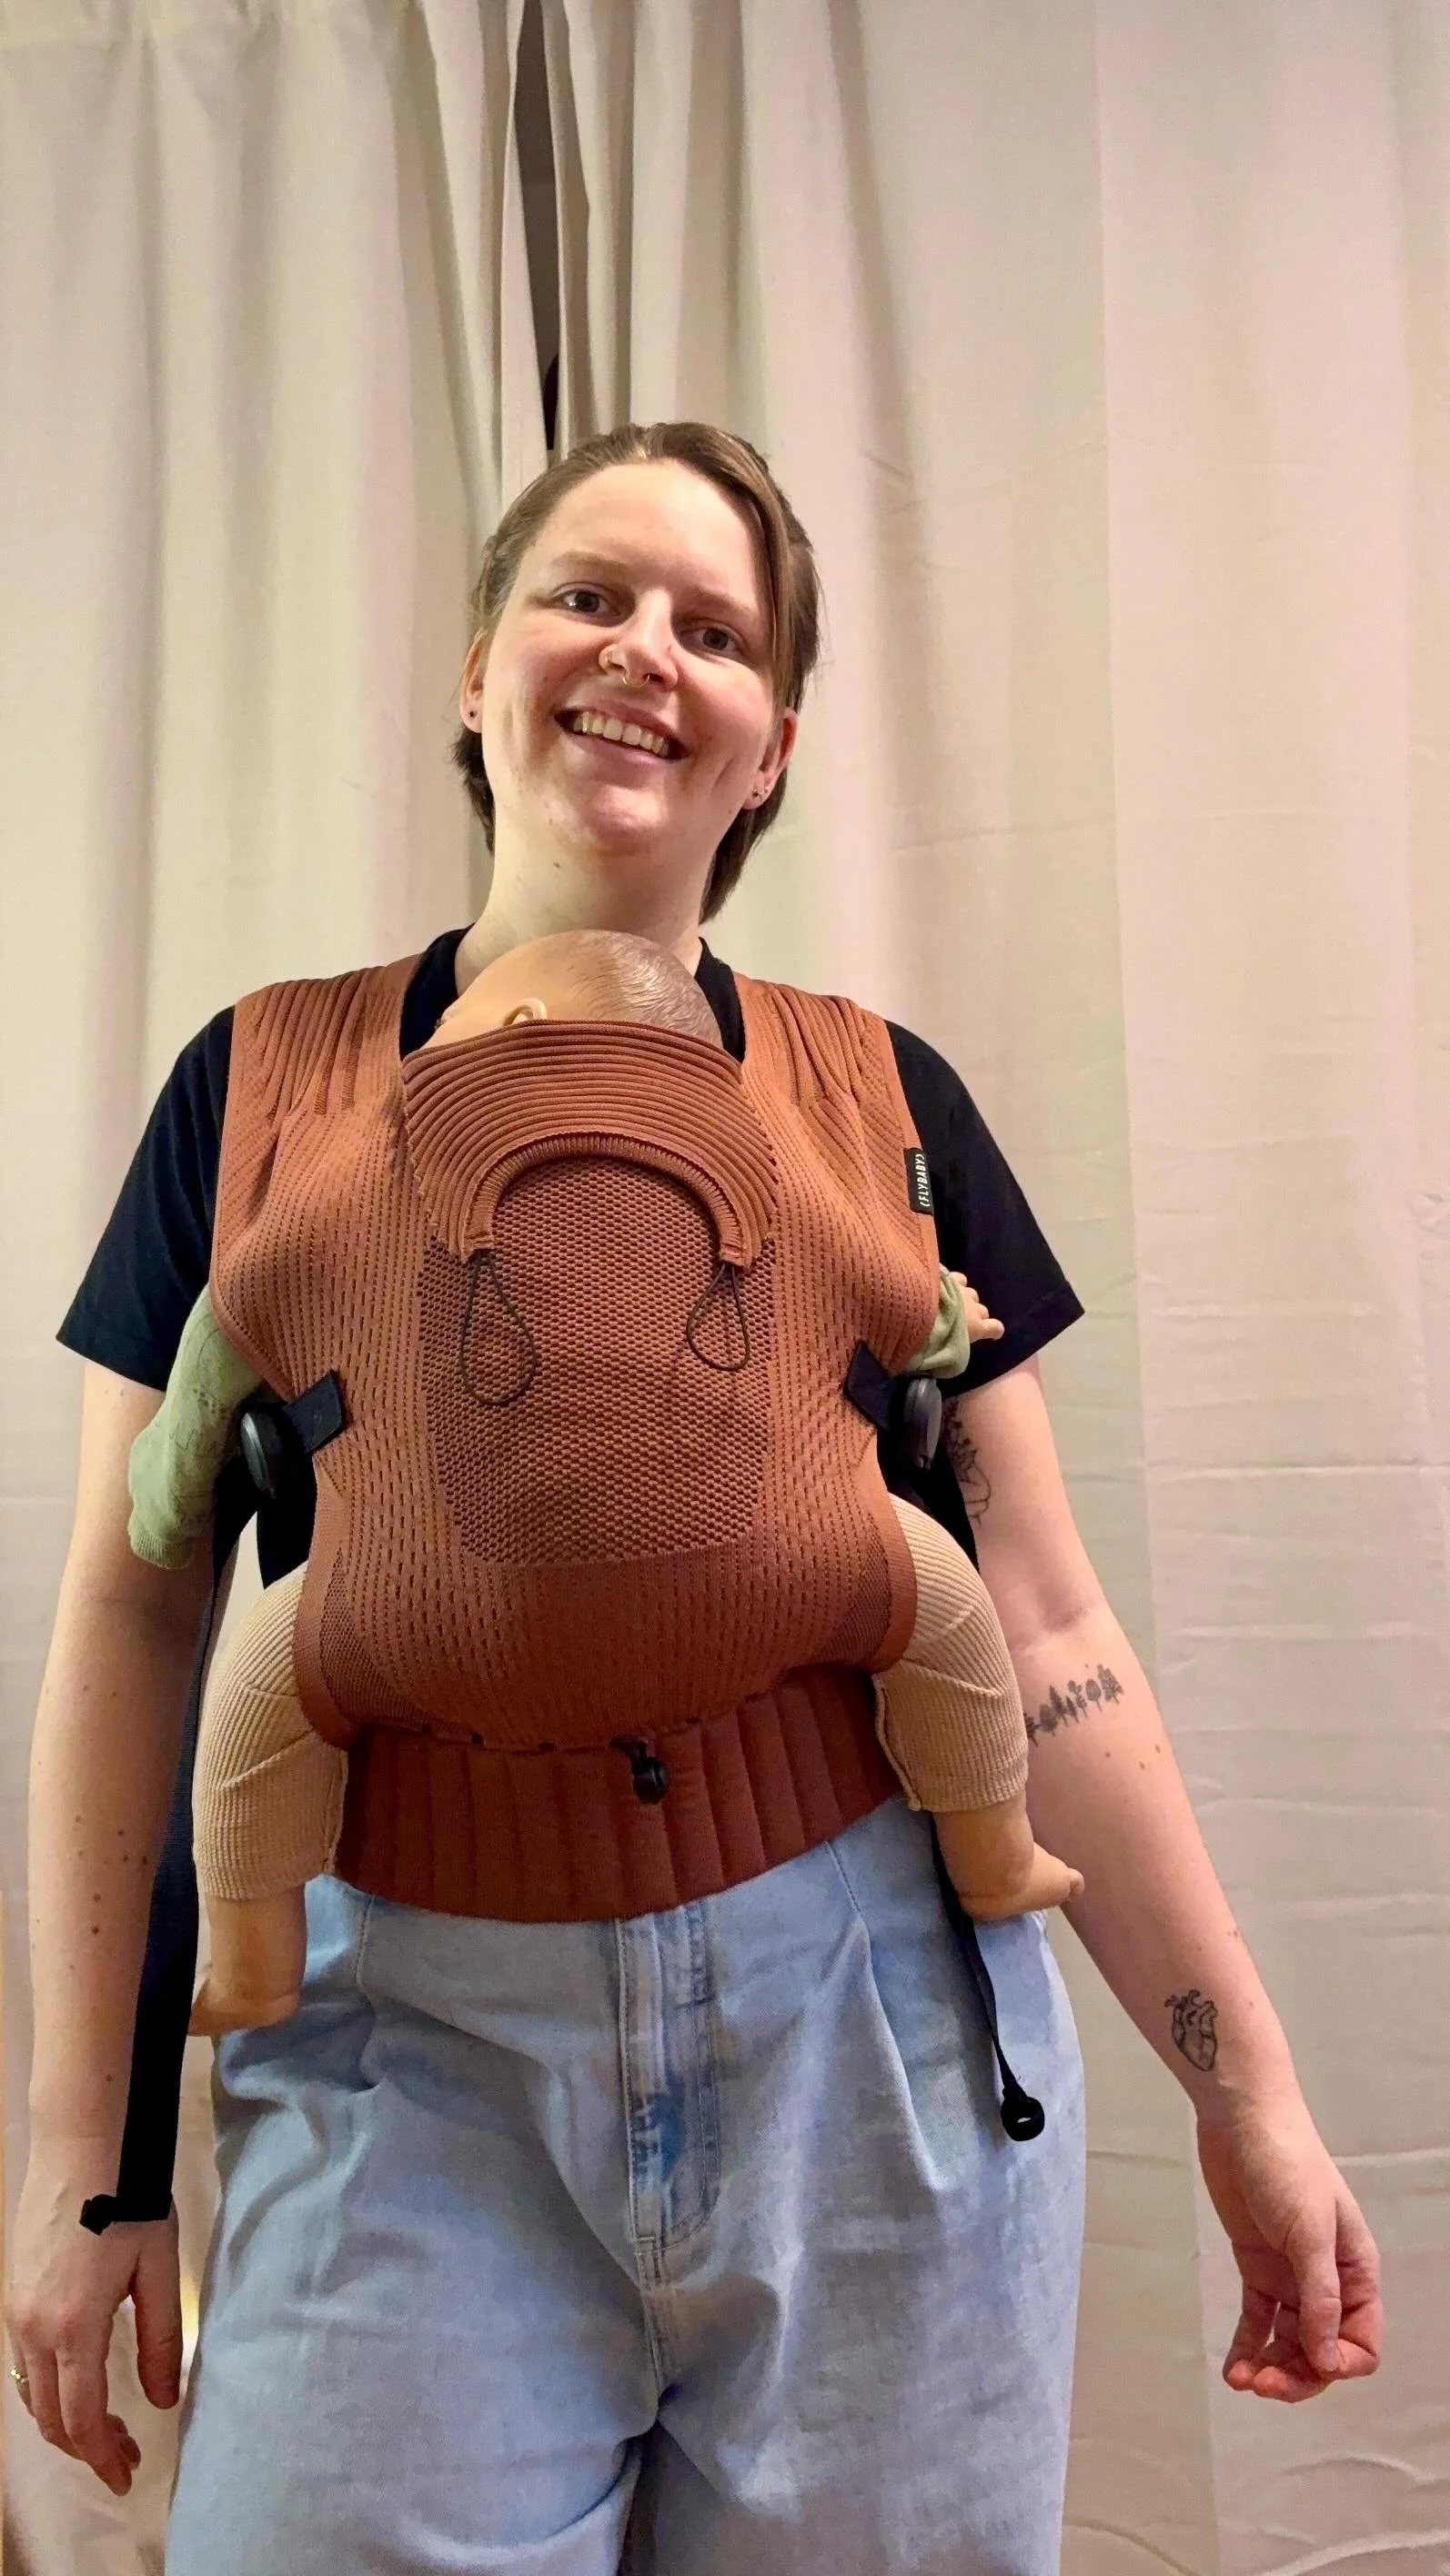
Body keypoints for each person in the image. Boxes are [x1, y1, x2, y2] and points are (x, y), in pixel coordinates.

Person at [7, 421, 1381, 2576]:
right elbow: (132, 1613)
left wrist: (1247, 2089)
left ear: (772, 747)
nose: (644, 649)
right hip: (404, 2062)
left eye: (714, 629)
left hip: (872, 2059)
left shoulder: (875, 1112)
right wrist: (78, 2154)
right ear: (477, 668)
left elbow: (1042, 1628)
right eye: (586, 594)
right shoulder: (260, 1094)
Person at [125, 924, 1079, 2036]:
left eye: (449, 1025)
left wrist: (167, 1499)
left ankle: (254, 1969)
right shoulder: (778, 1157)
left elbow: (232, 1323)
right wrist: (954, 1321)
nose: (425, 1048)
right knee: (951, 1623)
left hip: (413, 1613)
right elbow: (901, 1296)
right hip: (796, 1579)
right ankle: (994, 1858)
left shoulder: (360, 1158)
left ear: (523, 1028)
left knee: (254, 1710)